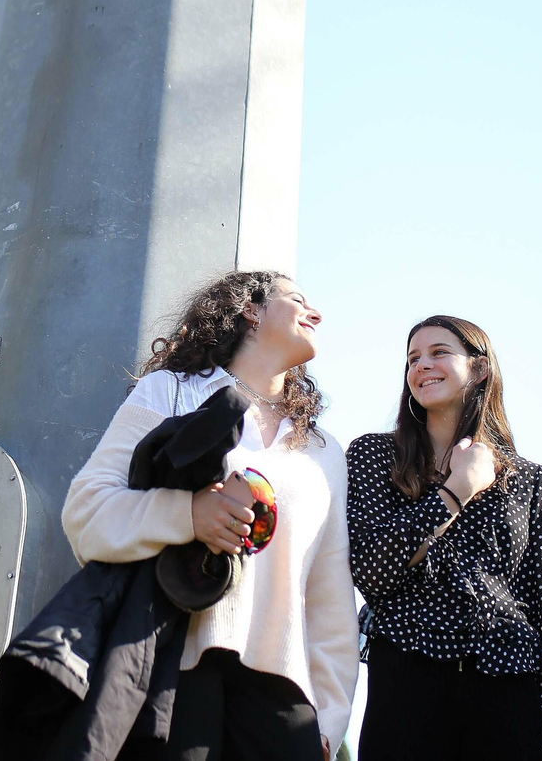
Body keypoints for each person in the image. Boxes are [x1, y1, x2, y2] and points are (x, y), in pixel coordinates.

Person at [59, 271, 357, 761]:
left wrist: (328, 718)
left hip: (285, 702)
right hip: (171, 675)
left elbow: (329, 600)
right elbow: (86, 511)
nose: (316, 313)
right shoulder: (169, 392)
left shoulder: (324, 451)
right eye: (297, 300)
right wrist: (189, 515)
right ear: (252, 311)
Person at [347, 315, 542, 761]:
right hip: (408, 681)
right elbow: (372, 571)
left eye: (438, 353)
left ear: (481, 368)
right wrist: (455, 492)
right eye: (412, 358)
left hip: (509, 686)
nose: (421, 365)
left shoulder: (533, 481)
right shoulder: (374, 455)